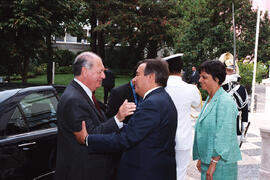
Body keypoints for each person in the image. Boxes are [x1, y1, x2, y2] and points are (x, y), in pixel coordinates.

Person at [75, 59, 178, 180]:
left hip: (146, 173)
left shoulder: (152, 104)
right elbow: (143, 132)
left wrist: (87, 139)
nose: (134, 79)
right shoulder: (161, 98)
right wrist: (119, 121)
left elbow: (124, 139)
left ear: (151, 77)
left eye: (138, 74)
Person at [55, 51, 136, 180]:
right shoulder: (74, 99)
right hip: (82, 172)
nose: (104, 76)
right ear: (84, 71)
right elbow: (89, 137)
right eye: (100, 72)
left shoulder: (82, 94)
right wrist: (118, 118)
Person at [193, 60, 242, 180]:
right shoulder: (211, 99)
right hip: (208, 161)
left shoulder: (225, 101)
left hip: (221, 164)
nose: (200, 80)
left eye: (204, 77)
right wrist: (201, 157)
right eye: (200, 77)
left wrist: (213, 163)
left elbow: (223, 135)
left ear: (217, 79)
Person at [163, 53, 202, 180]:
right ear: (181, 69)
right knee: (180, 174)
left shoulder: (160, 87)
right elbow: (198, 107)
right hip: (183, 138)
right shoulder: (190, 89)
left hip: (161, 139)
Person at [219, 52, 249, 145]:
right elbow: (244, 114)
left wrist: (243, 130)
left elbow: (245, 112)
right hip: (232, 133)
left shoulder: (218, 87)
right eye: (229, 70)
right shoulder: (242, 89)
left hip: (224, 132)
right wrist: (243, 132)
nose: (231, 71)